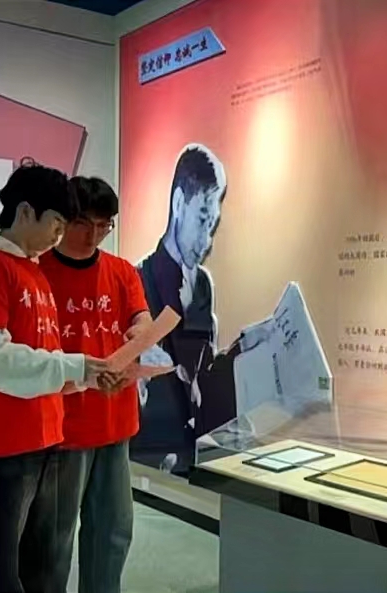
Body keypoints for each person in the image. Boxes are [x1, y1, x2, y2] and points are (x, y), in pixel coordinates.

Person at [0, 162, 113, 593]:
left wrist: (85, 376)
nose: (60, 234)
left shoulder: (34, 272)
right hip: (0, 444)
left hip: (44, 438)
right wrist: (73, 367)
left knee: (41, 566)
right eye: (57, 222)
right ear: (25, 212)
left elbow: (43, 356)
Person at [39, 176, 151, 593]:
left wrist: (140, 334)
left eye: (104, 226)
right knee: (55, 538)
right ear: (63, 219)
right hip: (63, 429)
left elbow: (140, 318)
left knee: (113, 531)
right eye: (84, 223)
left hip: (115, 422)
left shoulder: (122, 272)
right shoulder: (38, 273)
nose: (93, 235)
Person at [132, 144, 269, 476]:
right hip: (150, 458)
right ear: (179, 203)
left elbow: (204, 371)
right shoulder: (137, 281)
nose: (207, 239)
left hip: (197, 452)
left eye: (213, 223)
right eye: (202, 219)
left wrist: (245, 347)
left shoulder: (203, 284)